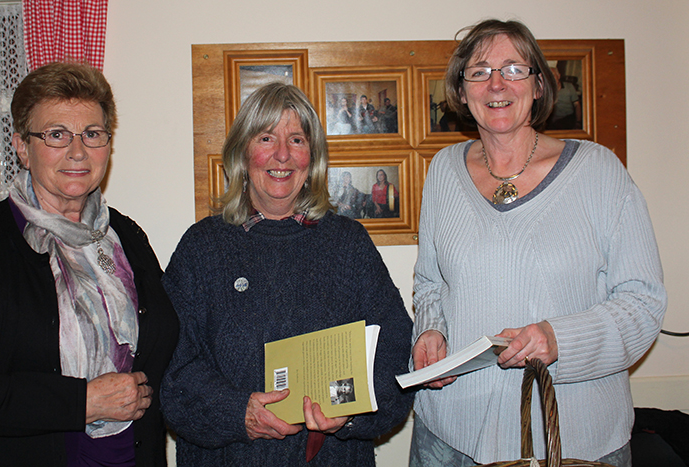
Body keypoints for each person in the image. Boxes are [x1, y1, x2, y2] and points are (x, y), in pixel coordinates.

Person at [410, 19, 666, 467]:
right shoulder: (442, 172)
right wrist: (432, 330)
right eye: (479, 71)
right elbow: (431, 282)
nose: (495, 84)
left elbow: (643, 303)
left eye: (513, 68)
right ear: (462, 89)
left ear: (539, 84)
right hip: (450, 438)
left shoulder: (599, 171)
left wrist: (558, 338)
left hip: (572, 441)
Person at [0, 62, 179, 467]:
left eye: (92, 134)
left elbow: (167, 349)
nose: (78, 152)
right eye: (56, 134)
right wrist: (82, 402)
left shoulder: (126, 237)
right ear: (22, 146)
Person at [160, 82, 413, 466]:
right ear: (243, 153)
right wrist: (236, 411)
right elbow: (171, 367)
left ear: (312, 157)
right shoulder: (201, 248)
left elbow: (394, 349)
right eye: (266, 138)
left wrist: (347, 412)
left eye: (296, 140)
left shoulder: (348, 244)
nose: (282, 155)